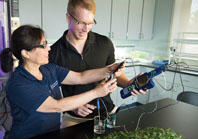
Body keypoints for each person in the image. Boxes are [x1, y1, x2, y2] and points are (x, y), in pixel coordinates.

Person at [0, 25, 123, 139]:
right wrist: (96, 92)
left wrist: (110, 69)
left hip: (51, 136)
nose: (49, 48)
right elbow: (57, 106)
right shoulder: (18, 84)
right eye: (43, 45)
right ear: (26, 53)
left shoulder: (47, 69)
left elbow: (81, 77)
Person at [49, 0, 147, 128]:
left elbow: (115, 74)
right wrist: (73, 107)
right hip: (75, 118)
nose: (86, 29)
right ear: (68, 18)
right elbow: (51, 95)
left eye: (90, 23)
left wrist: (129, 84)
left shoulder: (105, 43)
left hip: (107, 114)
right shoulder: (53, 53)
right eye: (81, 22)